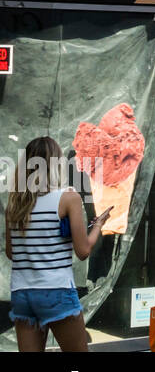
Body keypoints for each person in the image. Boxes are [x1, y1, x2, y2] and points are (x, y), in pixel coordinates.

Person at [4, 137, 111, 352]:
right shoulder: (68, 198)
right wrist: (98, 225)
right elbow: (83, 251)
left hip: (23, 293)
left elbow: (11, 253)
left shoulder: (15, 202)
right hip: (56, 291)